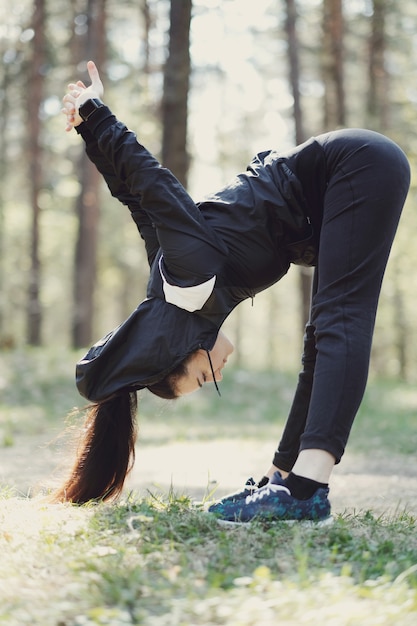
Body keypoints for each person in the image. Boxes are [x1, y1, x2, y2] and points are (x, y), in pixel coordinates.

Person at [56, 61, 410, 525]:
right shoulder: (175, 282)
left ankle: (307, 489)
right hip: (342, 186)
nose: (219, 369)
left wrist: (96, 113)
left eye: (205, 377)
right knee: (320, 337)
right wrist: (88, 132)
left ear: (184, 348)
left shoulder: (188, 282)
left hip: (356, 167)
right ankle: (281, 478)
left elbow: (154, 185)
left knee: (340, 320)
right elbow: (135, 200)